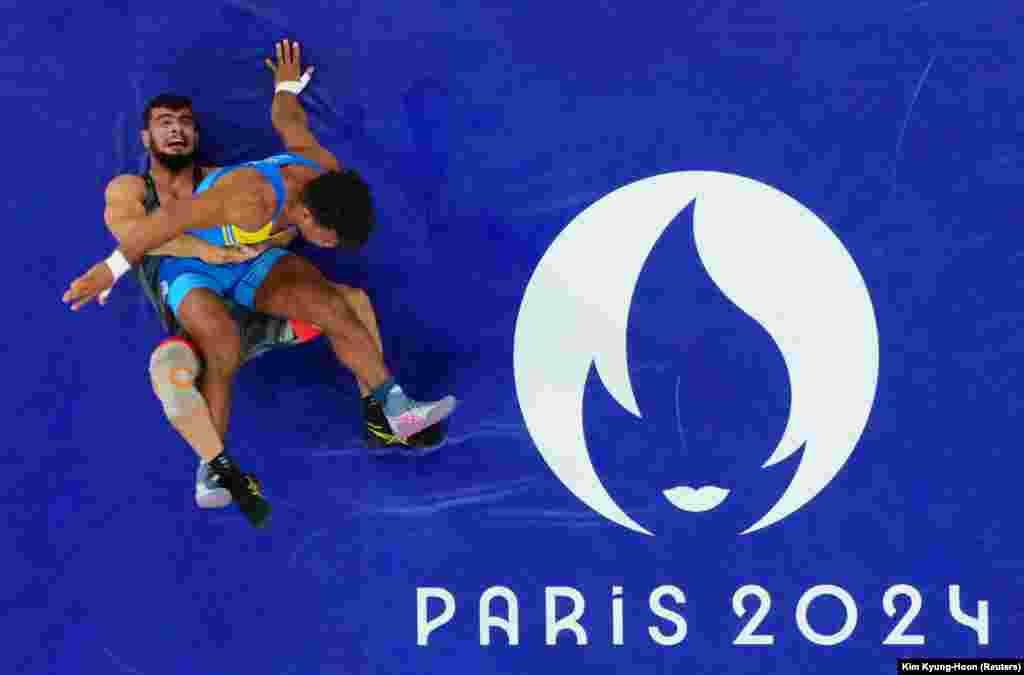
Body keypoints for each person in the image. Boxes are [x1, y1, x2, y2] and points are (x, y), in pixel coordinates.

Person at [72, 40, 456, 527]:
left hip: (253, 258)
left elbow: (289, 122)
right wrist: (109, 270)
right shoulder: (243, 198)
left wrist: (285, 87)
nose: (327, 244)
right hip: (194, 268)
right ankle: (213, 468)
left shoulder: (322, 167)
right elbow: (157, 228)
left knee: (335, 307)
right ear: (304, 213)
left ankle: (393, 408)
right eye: (324, 237)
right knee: (221, 342)